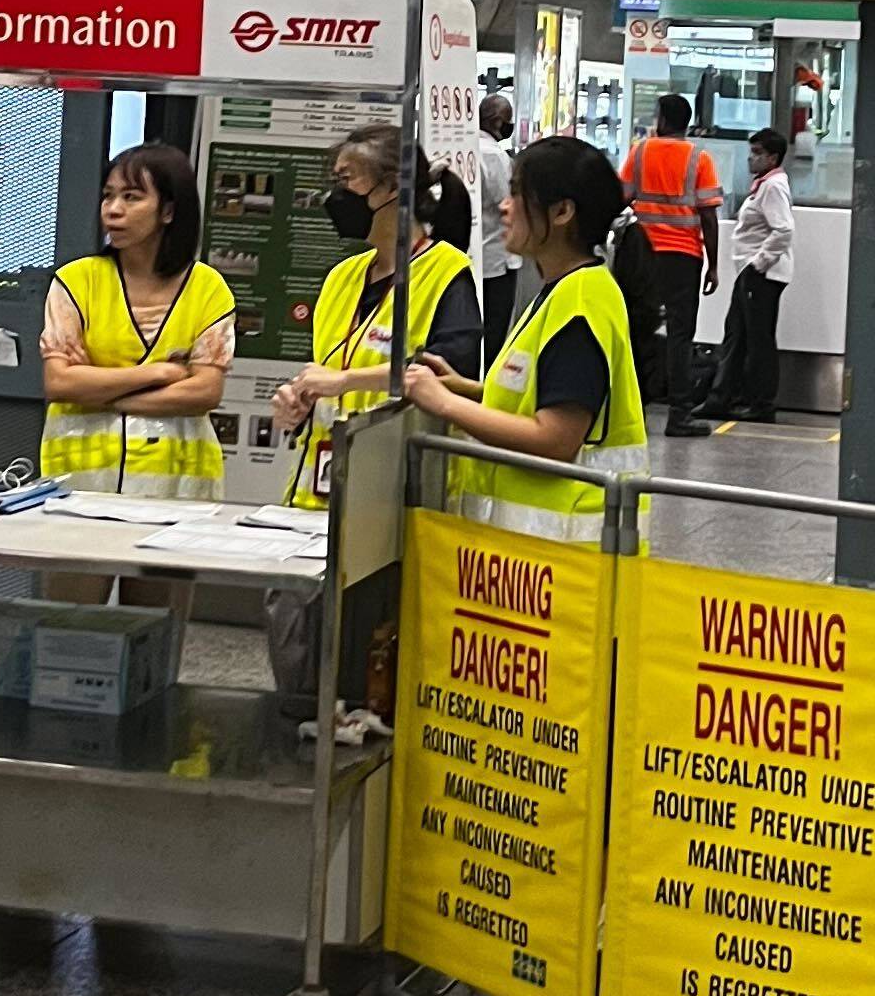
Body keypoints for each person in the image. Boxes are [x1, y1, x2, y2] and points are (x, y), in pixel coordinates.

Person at [264, 117, 483, 710]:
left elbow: (449, 373)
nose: (336, 198)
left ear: (393, 190)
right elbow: (322, 370)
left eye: (347, 180)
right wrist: (299, 398)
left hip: (388, 497)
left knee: (366, 671)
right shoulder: (342, 278)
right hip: (314, 497)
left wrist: (344, 379)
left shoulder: (445, 274)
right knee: (296, 653)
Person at [406, 133, 648, 543]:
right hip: (533, 558)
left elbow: (556, 438)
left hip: (564, 555)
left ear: (562, 212)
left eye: (517, 194)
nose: (503, 206)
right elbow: (545, 393)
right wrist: (471, 390)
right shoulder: (563, 290)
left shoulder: (580, 304)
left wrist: (444, 404)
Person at [38, 139, 235, 499]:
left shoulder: (207, 287)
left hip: (181, 491)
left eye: (131, 197)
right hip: (83, 489)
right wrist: (160, 374)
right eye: (108, 196)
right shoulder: (77, 280)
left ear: (168, 212)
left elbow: (205, 390)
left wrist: (101, 391)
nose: (113, 210)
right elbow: (60, 383)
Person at [619, 92, 721, 435]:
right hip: (683, 256)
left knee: (637, 328)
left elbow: (620, 198)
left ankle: (633, 409)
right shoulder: (699, 158)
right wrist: (714, 264)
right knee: (680, 333)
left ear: (662, 119)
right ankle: (679, 415)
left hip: (642, 254)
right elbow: (709, 215)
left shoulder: (641, 151)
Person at [699, 127, 795, 425]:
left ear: (773, 157)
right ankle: (721, 397)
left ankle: (761, 403)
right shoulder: (763, 184)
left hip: (760, 276)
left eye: (757, 154)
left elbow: (784, 230)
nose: (750, 159)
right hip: (750, 274)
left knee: (758, 340)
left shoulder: (773, 187)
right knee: (736, 335)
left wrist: (759, 265)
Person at [475, 91, 519, 362]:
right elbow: (506, 202)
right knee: (494, 330)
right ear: (498, 121)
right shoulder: (494, 155)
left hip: (472, 253)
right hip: (497, 257)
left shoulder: (465, 148)